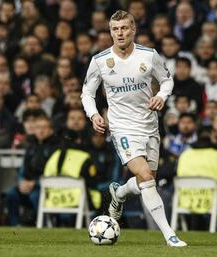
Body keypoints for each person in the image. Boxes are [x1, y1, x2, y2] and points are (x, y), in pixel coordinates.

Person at [80, 10, 186, 247]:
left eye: (124, 28)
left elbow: (167, 79)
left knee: (146, 182)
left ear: (133, 29)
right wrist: (94, 114)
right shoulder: (100, 61)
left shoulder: (149, 56)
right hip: (122, 127)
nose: (120, 33)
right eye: (115, 29)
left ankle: (118, 194)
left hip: (149, 125)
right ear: (110, 32)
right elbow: (87, 93)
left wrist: (161, 95)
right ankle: (170, 235)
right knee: (146, 176)